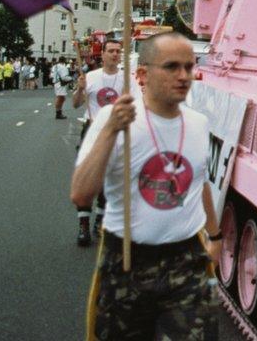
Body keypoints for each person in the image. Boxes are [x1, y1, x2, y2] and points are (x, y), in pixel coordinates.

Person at [70, 33, 220, 339]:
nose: (183, 76)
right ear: (142, 74)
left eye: (189, 67)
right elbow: (81, 193)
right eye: (171, 67)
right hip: (127, 259)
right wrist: (111, 130)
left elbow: (198, 180)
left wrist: (215, 236)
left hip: (186, 259)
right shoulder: (115, 121)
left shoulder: (199, 123)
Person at [70, 40, 124, 246]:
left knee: (108, 178)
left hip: (116, 132)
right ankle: (83, 225)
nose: (114, 54)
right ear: (102, 54)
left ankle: (100, 221)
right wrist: (79, 89)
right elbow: (75, 105)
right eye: (110, 51)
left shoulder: (127, 79)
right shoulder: (90, 77)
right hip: (91, 130)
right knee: (87, 176)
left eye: (118, 51)